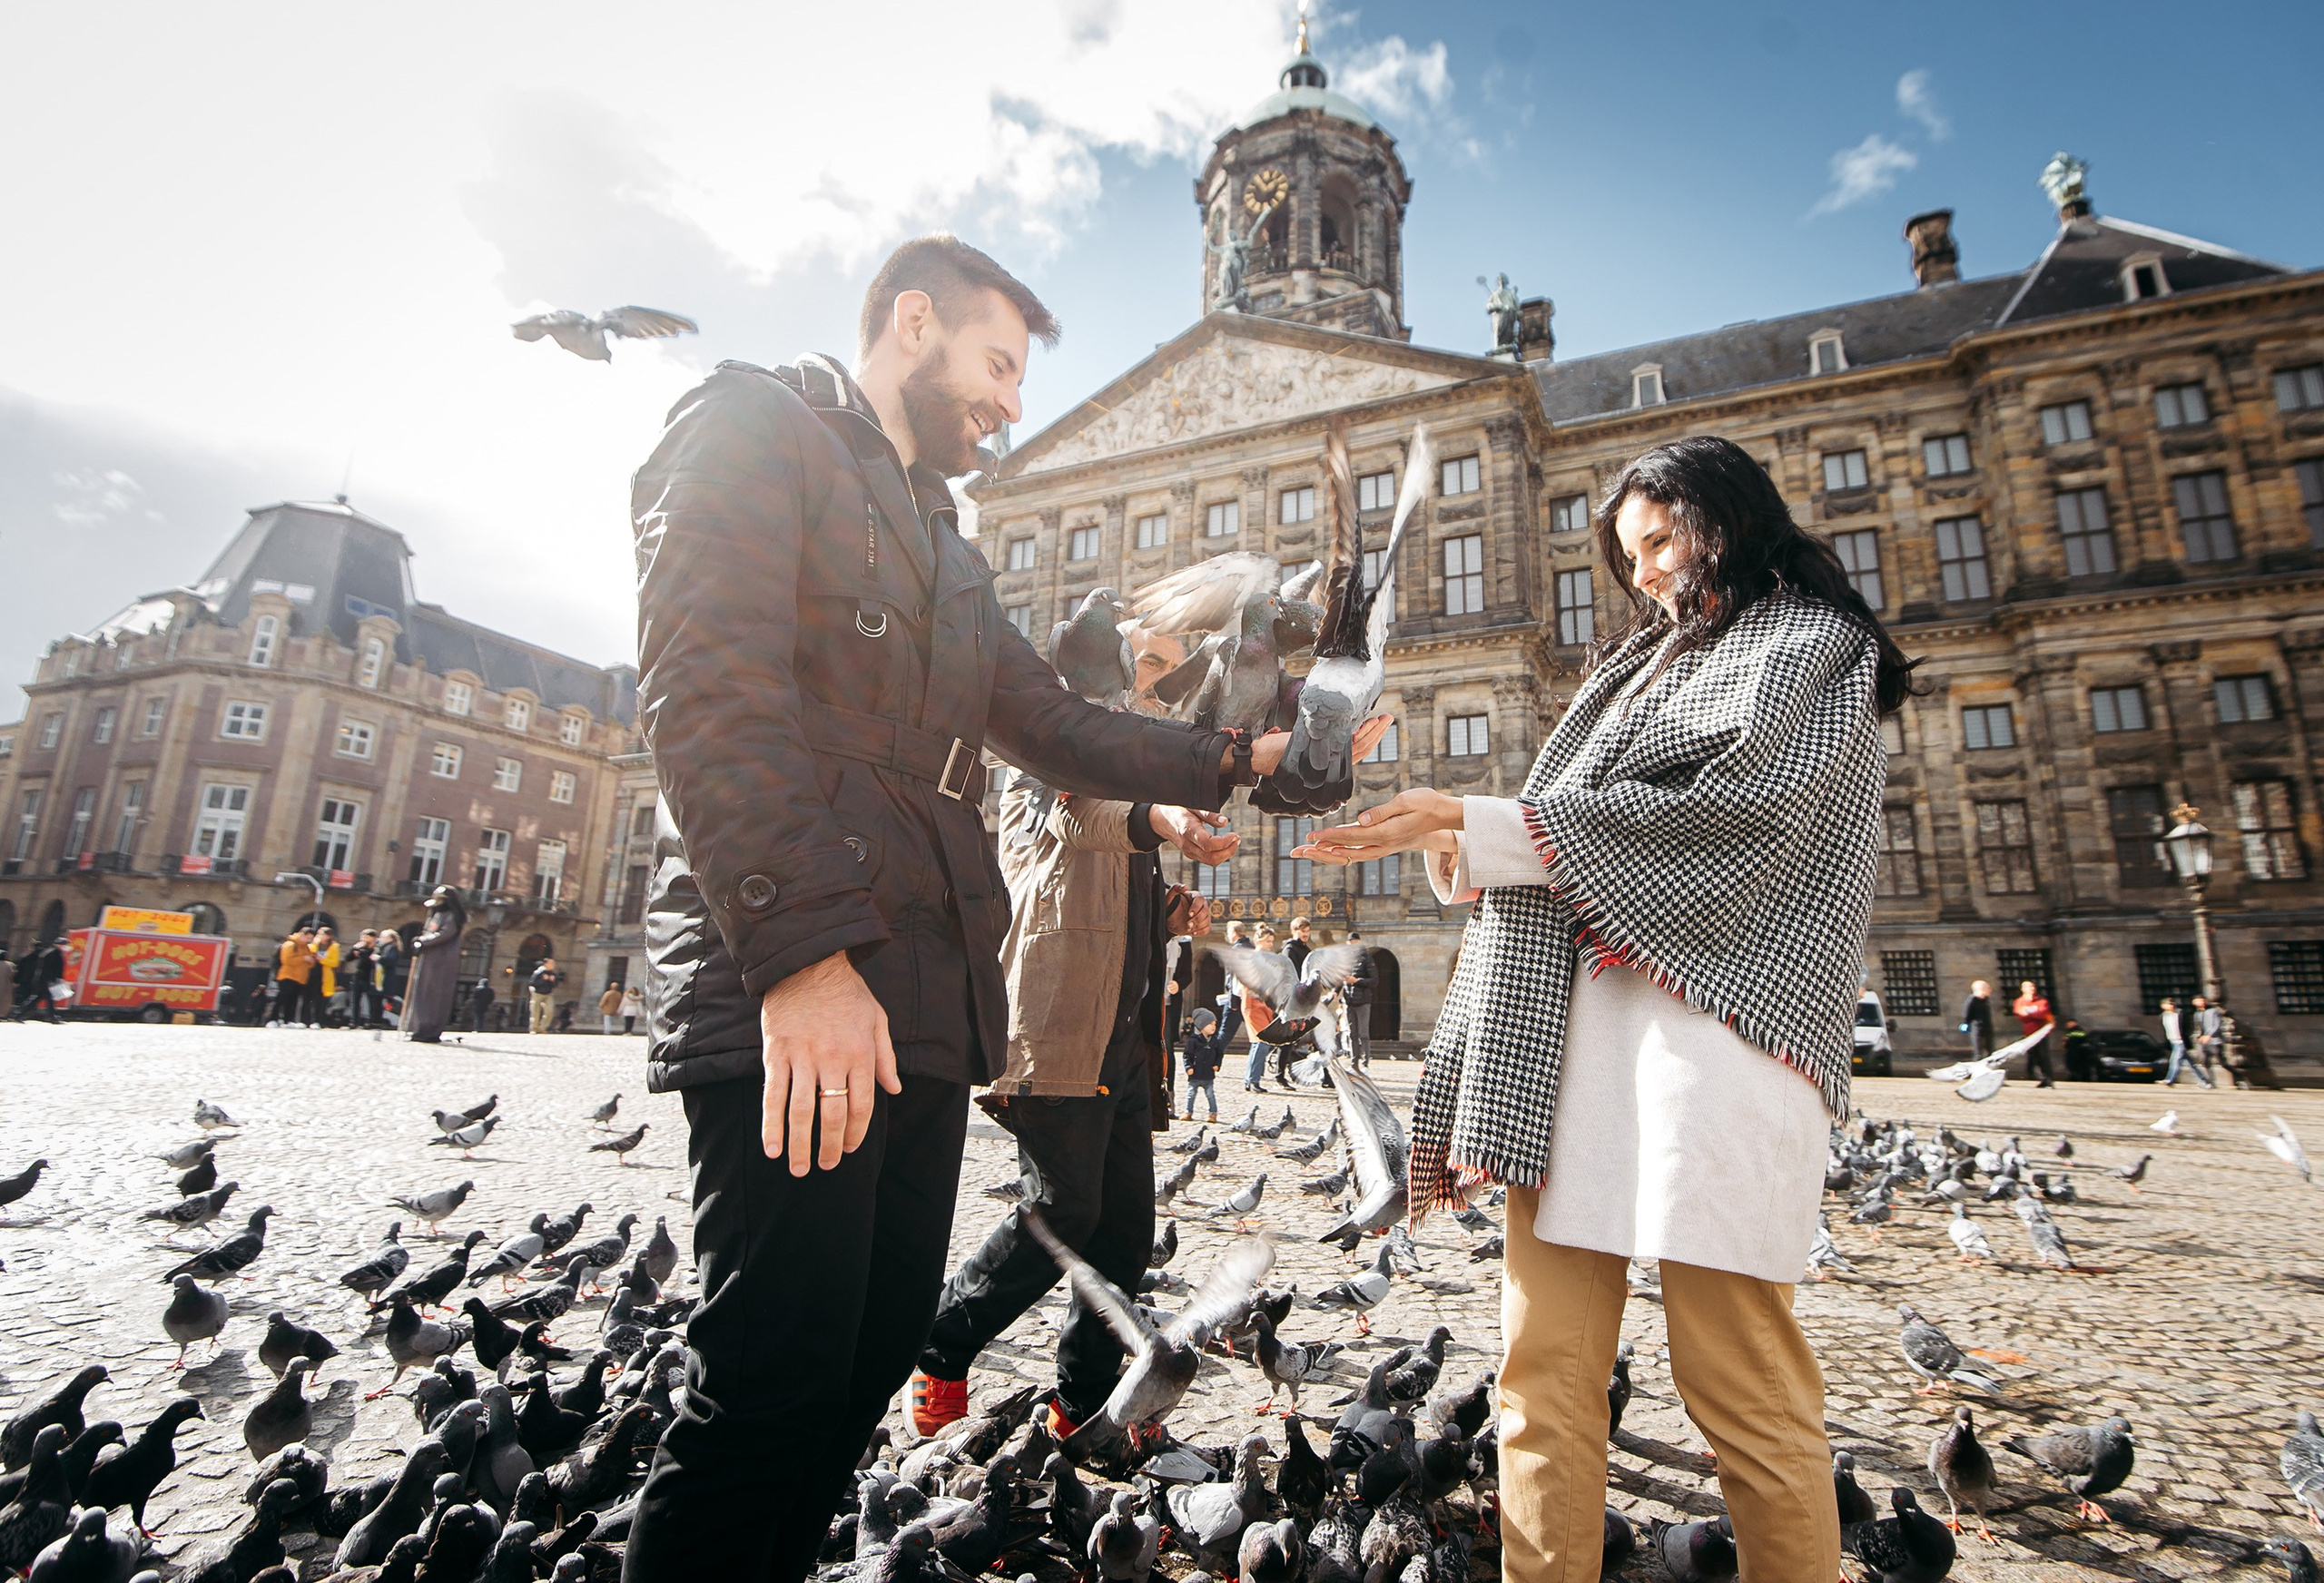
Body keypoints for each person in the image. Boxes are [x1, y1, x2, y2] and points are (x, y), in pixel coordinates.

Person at [624, 234, 1309, 1583]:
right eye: (998, 367)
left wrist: (1238, 759)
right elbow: (706, 695)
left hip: (932, 973)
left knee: (873, 1352)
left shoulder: (943, 533)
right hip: (810, 962)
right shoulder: (752, 424)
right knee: (769, 1371)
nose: (1009, 405)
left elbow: (1051, 723)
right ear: (914, 322)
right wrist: (800, 957)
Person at [1295, 435, 1915, 1580]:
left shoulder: (1813, 649)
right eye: (1630, 555)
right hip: (1562, 1055)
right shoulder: (1628, 672)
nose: (1648, 572)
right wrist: (1459, 834)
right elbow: (1569, 828)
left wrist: (1487, 819)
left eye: (1664, 539)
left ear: (1731, 517)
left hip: (1718, 1048)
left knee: (1742, 1393)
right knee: (1539, 1386)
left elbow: (1740, 812)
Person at [910, 761, 1230, 1440]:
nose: (1151, 697)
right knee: (1063, 1206)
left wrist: (1164, 913)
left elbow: (1102, 894)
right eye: (1147, 666)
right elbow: (1077, 820)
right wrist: (1161, 818)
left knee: (1123, 1232)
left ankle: (1083, 1399)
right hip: (1057, 1030)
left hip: (1124, 1041)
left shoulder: (1132, 775)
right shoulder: (1044, 758)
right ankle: (941, 1341)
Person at [398, 888, 466, 1044]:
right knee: (422, 992)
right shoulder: (437, 915)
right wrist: (420, 940)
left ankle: (428, 1028)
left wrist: (423, 941)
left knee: (432, 994)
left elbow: (444, 934)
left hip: (440, 960)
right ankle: (417, 1027)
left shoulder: (451, 916)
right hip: (428, 958)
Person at [1242, 923, 1285, 1091]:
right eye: (1268, 941)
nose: (1270, 944)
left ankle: (1250, 1080)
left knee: (1258, 1043)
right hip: (1253, 1003)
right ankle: (1253, 1081)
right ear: (1259, 940)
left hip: (1263, 1004)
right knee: (1262, 1042)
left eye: (1272, 941)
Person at [6, 939, 64, 1023]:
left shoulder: (49, 952)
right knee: (49, 999)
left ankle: (18, 1015)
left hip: (42, 979)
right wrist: (56, 979)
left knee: (37, 998)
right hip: (46, 980)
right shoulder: (54, 953)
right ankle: (52, 1017)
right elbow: (53, 968)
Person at [1182, 1008, 1224, 1120]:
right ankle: (1188, 1112)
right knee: (1191, 1094)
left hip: (1208, 1074)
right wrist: (1188, 1067)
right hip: (1195, 1074)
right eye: (1210, 1024)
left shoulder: (1215, 1041)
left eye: (1215, 1024)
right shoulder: (1193, 1040)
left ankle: (1213, 1113)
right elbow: (1187, 1055)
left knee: (1210, 1095)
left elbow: (1219, 1054)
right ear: (1201, 1025)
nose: (1213, 1026)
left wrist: (1217, 1064)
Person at [2013, 978, 2055, 1087]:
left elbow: (2042, 1014)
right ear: (2023, 989)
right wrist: (2034, 1013)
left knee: (2043, 1055)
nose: (2031, 989)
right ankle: (2036, 1075)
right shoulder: (2019, 1001)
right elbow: (2020, 1014)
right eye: (2028, 987)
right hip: (2029, 1033)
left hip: (2041, 1033)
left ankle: (2048, 1078)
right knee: (2033, 1055)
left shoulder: (2042, 1001)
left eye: (2032, 986)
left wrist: (2028, 1013)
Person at [1343, 929, 1375, 1068]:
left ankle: (1365, 1063)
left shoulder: (1367, 958)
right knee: (1352, 1034)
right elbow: (1341, 980)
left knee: (1363, 1033)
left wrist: (1357, 981)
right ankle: (1354, 1062)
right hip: (1349, 1001)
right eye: (1351, 943)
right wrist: (1334, 993)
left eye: (1355, 942)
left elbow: (1374, 980)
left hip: (1362, 1001)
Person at [2159, 996, 2209, 1087]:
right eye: (2168, 1004)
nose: (2171, 1006)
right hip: (2172, 1041)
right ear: (2163, 1006)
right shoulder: (2163, 1016)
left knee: (2174, 1060)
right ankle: (2204, 1081)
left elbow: (2187, 1027)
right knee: (2191, 1064)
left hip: (2180, 1042)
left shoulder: (2179, 1014)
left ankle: (2170, 1079)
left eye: (2172, 1004)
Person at [271, 928, 315, 1027]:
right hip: (287, 976)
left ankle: (288, 1020)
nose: (308, 940)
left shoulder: (307, 947)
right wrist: (303, 958)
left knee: (293, 1001)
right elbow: (287, 960)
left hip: (300, 978)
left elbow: (310, 964)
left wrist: (310, 961)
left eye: (310, 938)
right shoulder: (290, 945)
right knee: (282, 998)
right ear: (302, 934)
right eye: (307, 937)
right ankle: (273, 1019)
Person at [345, 930, 379, 1028]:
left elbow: (368, 958)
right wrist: (354, 949)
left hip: (370, 977)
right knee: (355, 1000)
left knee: (371, 1001)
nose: (364, 940)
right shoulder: (360, 948)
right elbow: (348, 958)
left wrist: (360, 952)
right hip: (358, 976)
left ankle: (371, 1021)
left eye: (367, 938)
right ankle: (354, 1021)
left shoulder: (376, 949)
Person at [310, 927, 342, 1027]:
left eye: (322, 934)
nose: (319, 936)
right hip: (313, 974)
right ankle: (307, 1020)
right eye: (318, 933)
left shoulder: (334, 947)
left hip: (325, 976)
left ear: (328, 936)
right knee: (311, 999)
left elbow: (334, 963)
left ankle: (318, 1020)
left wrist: (322, 959)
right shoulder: (313, 945)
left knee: (322, 1001)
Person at [374, 929, 406, 1026]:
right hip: (380, 977)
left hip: (386, 978)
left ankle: (380, 1019)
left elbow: (390, 961)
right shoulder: (383, 947)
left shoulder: (392, 948)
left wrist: (379, 958)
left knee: (384, 1001)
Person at [2193, 995, 2227, 1085]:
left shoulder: (2213, 1011)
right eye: (2198, 1001)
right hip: (2203, 1041)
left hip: (2215, 1040)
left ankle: (2241, 1079)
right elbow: (2198, 1027)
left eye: (2202, 1000)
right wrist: (2199, 1036)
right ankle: (2210, 1081)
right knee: (2205, 1061)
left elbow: (2216, 1025)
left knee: (2222, 1062)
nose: (2201, 1003)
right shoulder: (2197, 1014)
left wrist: (2208, 1035)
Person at [1958, 978, 1994, 1063]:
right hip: (1976, 1028)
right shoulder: (1972, 1000)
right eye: (1988, 988)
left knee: (1990, 1050)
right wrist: (1966, 1024)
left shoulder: (1985, 1000)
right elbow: (1966, 1015)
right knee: (1978, 1052)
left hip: (1987, 1027)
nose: (1990, 990)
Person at [528, 957, 564, 1034]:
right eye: (551, 963)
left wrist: (552, 981)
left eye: (553, 963)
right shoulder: (538, 972)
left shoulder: (553, 974)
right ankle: (534, 1028)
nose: (553, 964)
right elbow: (532, 983)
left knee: (549, 1011)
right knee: (535, 1011)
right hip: (538, 993)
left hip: (548, 994)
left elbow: (555, 985)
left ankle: (543, 1027)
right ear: (546, 964)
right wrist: (543, 980)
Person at [2060, 1018, 2093, 1082]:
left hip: (2077, 1052)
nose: (2068, 1025)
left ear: (2075, 1023)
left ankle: (2078, 1077)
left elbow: (2073, 1040)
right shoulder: (2070, 1031)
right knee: (2073, 1066)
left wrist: (2066, 1041)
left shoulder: (2077, 1031)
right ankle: (2077, 1077)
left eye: (2070, 1023)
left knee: (2076, 1066)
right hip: (2073, 1051)